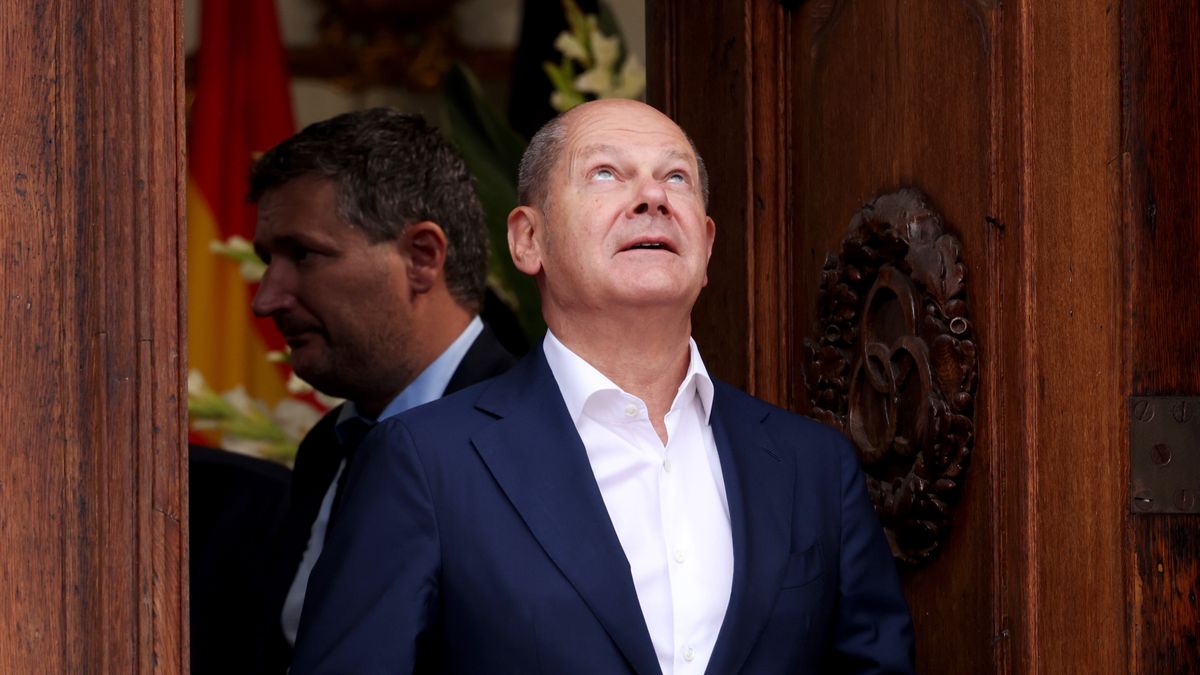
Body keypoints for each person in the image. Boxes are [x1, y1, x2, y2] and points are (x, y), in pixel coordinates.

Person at [292, 99, 914, 674]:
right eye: (606, 174)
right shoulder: (425, 463)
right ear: (528, 239)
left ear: (708, 245)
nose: (652, 197)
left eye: (676, 178)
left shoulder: (812, 465)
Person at [245, 108, 516, 674]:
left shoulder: (544, 441)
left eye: (304, 255)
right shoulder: (331, 447)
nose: (266, 299)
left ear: (421, 257)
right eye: (268, 260)